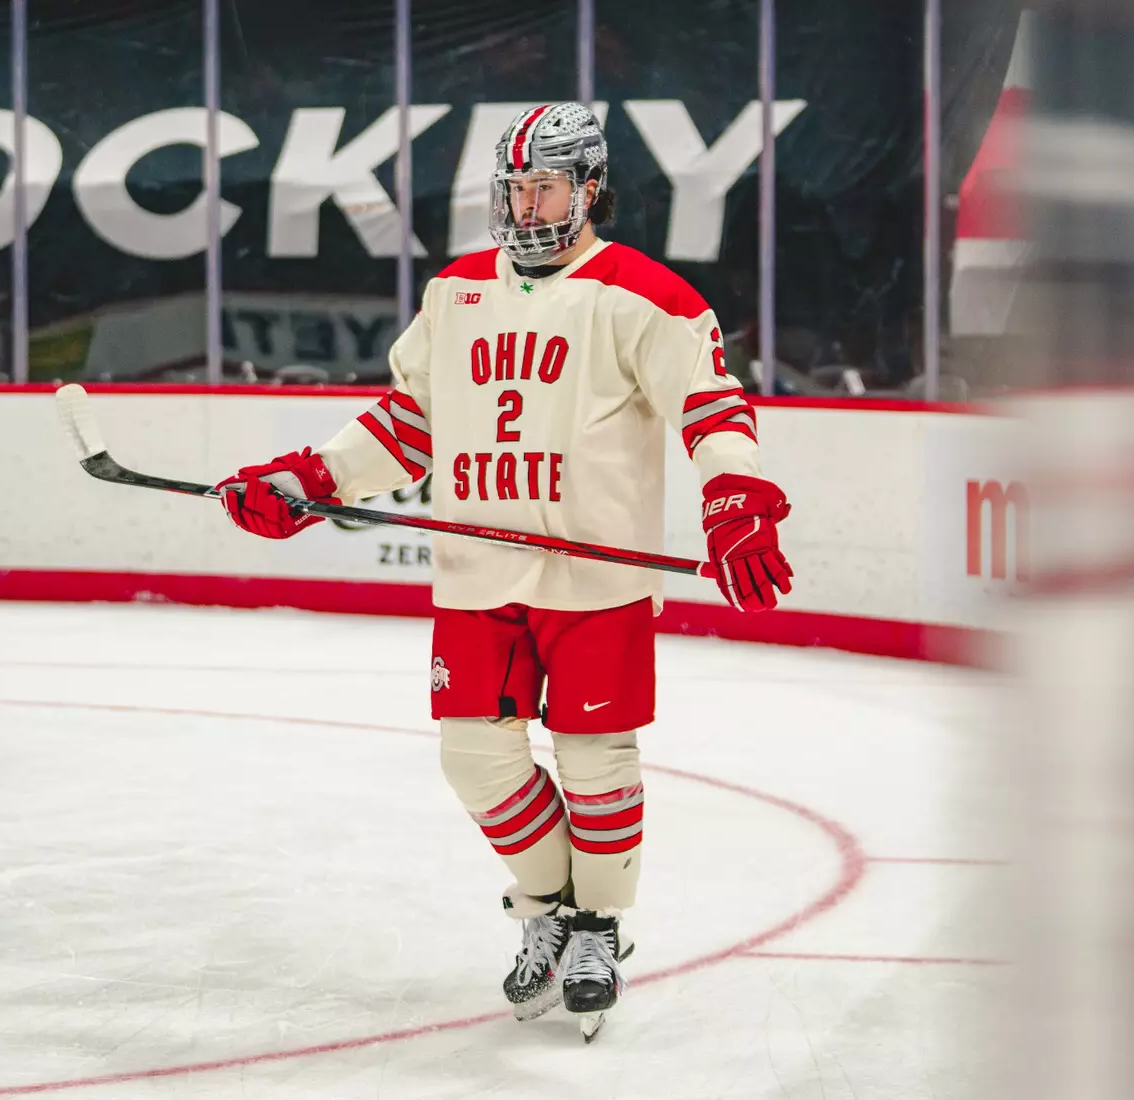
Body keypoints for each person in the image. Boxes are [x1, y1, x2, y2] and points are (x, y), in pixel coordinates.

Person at [214, 102, 793, 1035]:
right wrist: (309, 477)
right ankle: (549, 906)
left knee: (596, 763)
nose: (527, 208)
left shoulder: (647, 297)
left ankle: (598, 926)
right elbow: (408, 423)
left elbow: (714, 411)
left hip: (595, 582)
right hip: (477, 570)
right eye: (515, 189)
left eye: (547, 187)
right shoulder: (456, 293)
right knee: (473, 758)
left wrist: (735, 498)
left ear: (590, 188)